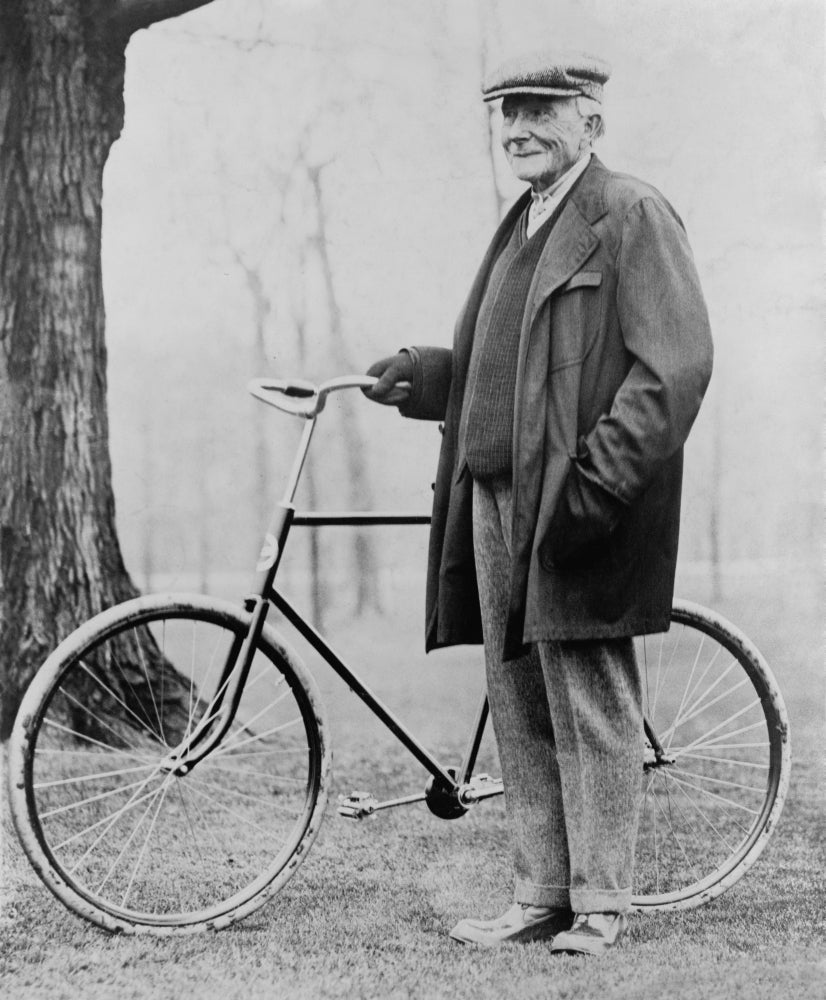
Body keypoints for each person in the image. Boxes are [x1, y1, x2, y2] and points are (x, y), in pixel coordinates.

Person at [363, 51, 713, 956]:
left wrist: (594, 485)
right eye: (506, 113)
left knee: (588, 697)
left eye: (539, 112)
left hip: (575, 497)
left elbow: (673, 371)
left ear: (591, 123)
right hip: (490, 495)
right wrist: (427, 375)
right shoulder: (522, 220)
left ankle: (599, 905)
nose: (517, 128)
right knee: (518, 697)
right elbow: (508, 371)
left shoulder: (630, 212)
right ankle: (539, 895)